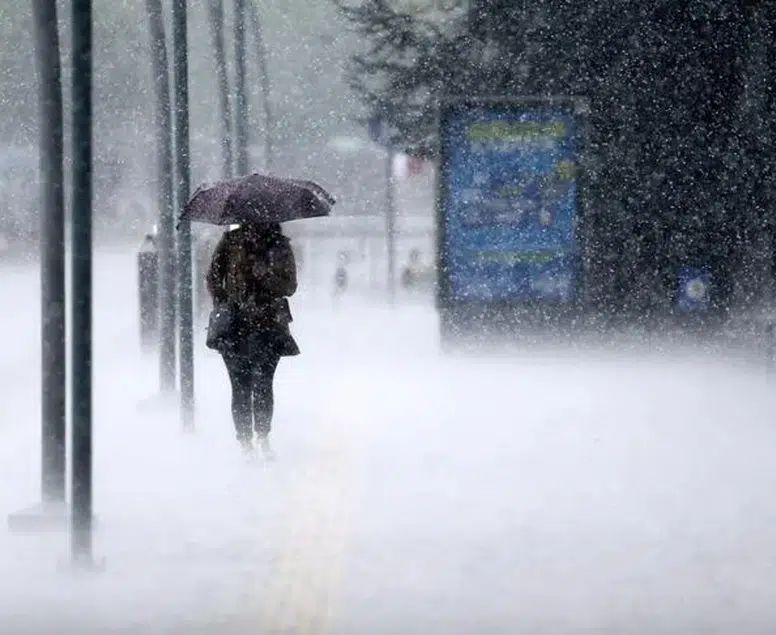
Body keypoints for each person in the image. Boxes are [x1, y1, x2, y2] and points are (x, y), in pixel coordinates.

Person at [206, 221, 299, 457]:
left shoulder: (279, 245)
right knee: (240, 385)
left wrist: (265, 274)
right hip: (235, 325)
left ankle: (263, 435)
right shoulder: (230, 243)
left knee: (263, 384)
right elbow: (213, 277)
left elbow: (289, 286)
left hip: (268, 324)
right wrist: (225, 303)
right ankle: (246, 441)